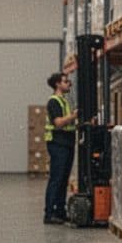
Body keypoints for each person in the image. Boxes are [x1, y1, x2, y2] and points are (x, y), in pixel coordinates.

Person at [43, 72, 77, 224]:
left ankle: (60, 212)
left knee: (63, 180)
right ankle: (49, 213)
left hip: (67, 143)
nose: (69, 83)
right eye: (65, 81)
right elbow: (58, 123)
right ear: (57, 84)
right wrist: (73, 116)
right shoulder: (54, 102)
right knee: (56, 179)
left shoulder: (64, 101)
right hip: (58, 144)